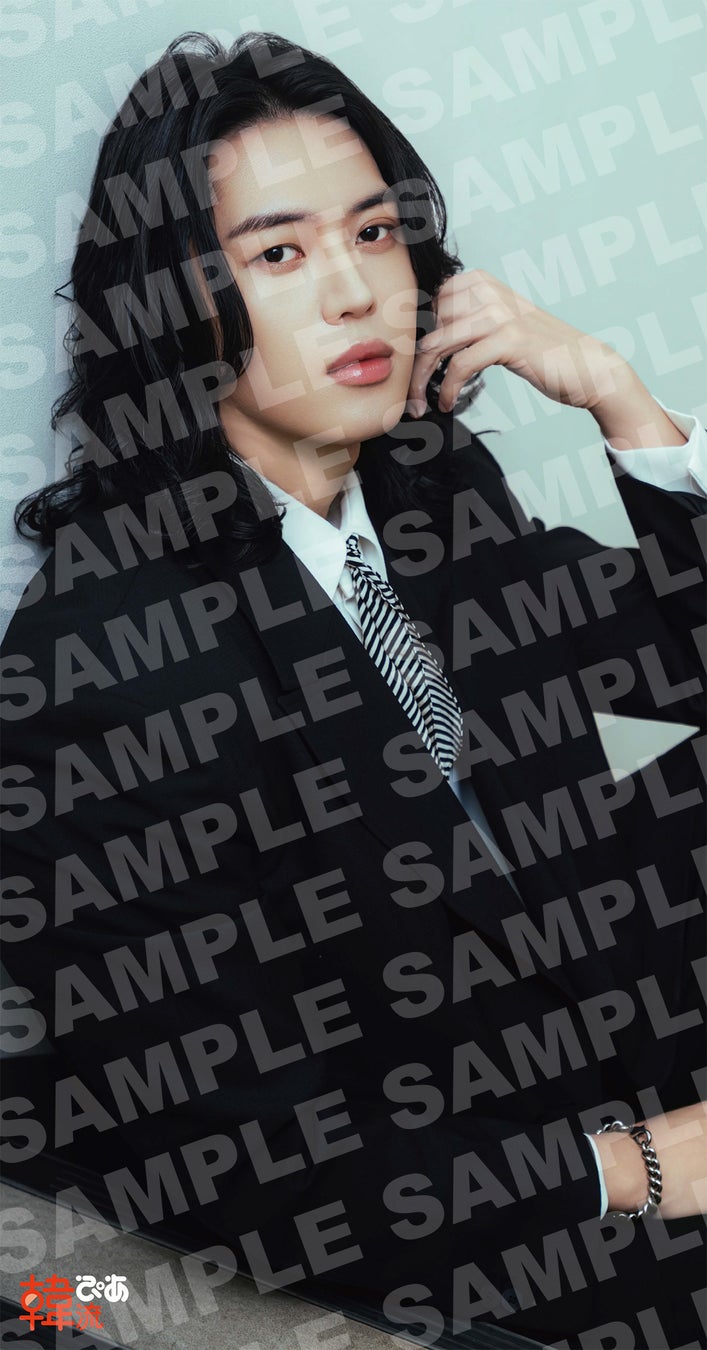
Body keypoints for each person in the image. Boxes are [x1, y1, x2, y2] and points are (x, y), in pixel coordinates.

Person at [1, 29, 705, 1349]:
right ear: (170, 303)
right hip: (464, 1256)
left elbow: (678, 676)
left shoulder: (441, 510)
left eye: (375, 235)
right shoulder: (96, 665)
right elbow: (238, 1155)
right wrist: (639, 1169)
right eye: (279, 254)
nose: (353, 291)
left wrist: (625, 406)